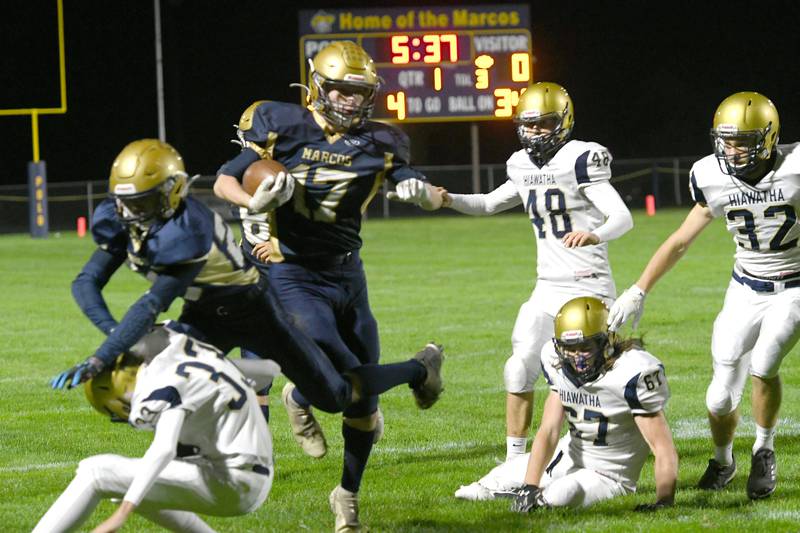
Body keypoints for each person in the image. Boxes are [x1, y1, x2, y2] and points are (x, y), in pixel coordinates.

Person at [51, 139, 443, 434]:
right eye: (126, 202)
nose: (130, 213)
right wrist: (115, 338)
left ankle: (418, 369)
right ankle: (200, 455)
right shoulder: (123, 218)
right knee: (157, 373)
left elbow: (152, 304)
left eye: (142, 202)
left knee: (337, 396)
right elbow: (87, 282)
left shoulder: (189, 230)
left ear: (172, 191)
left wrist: (101, 357)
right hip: (204, 316)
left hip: (255, 311)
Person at [213, 41, 444, 532]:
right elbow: (224, 181)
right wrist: (251, 204)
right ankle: (417, 369)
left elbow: (417, 183)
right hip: (293, 272)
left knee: (363, 401)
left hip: (347, 272)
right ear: (318, 86)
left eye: (359, 93)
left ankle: (347, 495)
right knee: (339, 389)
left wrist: (421, 193)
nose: (350, 101)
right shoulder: (282, 124)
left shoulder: (383, 140)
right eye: (340, 90)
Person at [608, 91, 799, 500]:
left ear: (768, 138)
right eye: (727, 140)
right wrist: (638, 289)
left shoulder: (796, 168)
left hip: (795, 286)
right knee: (719, 394)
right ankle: (723, 459)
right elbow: (680, 240)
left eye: (744, 141)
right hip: (745, 286)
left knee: (764, 363)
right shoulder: (710, 174)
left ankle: (763, 450)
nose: (733, 149)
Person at [436, 82, 632, 471]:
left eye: (544, 124)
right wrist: (448, 200)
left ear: (563, 122)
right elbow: (490, 203)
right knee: (519, 365)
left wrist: (596, 233)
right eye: (529, 125)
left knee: (593, 378)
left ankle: (608, 451)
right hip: (547, 286)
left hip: (588, 282)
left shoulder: (581, 159)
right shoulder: (521, 165)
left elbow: (622, 218)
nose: (536, 132)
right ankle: (515, 460)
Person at [35, 323, 280, 533]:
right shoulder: (192, 356)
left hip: (233, 481)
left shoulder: (159, 385)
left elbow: (164, 450)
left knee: (95, 472)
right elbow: (268, 371)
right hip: (254, 471)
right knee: (128, 482)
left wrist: (120, 515)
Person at [455, 297, 677, 512]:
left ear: (605, 341)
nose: (577, 358)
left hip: (608, 475)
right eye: (569, 348)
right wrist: (529, 486)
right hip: (566, 456)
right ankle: (527, 491)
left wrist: (663, 502)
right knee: (480, 488)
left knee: (561, 494)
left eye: (585, 347)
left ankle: (540, 497)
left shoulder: (632, 372)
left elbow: (662, 447)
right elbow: (549, 430)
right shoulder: (557, 362)